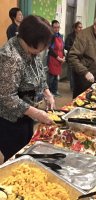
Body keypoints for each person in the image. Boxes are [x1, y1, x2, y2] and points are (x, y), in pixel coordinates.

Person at [0, 15, 55, 163]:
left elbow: (39, 73)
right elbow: (7, 97)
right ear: (32, 40)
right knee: (13, 157)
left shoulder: (31, 50)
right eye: (43, 44)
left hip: (27, 113)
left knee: (27, 150)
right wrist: (36, 113)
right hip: (9, 119)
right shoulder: (10, 57)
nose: (44, 48)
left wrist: (47, 92)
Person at [68, 14, 96, 98]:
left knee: (91, 100)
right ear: (95, 25)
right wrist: (85, 72)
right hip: (82, 77)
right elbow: (72, 56)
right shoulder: (83, 35)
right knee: (79, 99)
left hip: (94, 76)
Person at [47, 20, 65, 97]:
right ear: (52, 27)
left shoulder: (60, 36)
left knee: (56, 76)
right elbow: (50, 49)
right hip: (53, 58)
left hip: (59, 59)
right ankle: (49, 92)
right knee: (51, 77)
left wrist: (63, 56)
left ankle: (55, 91)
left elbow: (62, 48)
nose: (57, 29)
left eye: (58, 27)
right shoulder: (51, 36)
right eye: (55, 27)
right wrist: (58, 57)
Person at [64, 21, 83, 90]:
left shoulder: (82, 37)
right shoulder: (70, 36)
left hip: (80, 58)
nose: (81, 29)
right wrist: (74, 48)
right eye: (79, 27)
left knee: (78, 73)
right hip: (71, 57)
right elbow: (66, 46)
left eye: (81, 27)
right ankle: (73, 87)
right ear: (75, 29)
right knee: (72, 73)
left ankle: (76, 86)